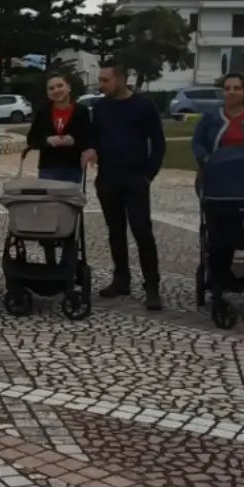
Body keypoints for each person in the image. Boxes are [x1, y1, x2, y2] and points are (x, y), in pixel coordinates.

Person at [81, 63, 165, 311]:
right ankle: (121, 279)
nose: (101, 85)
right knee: (115, 232)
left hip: (135, 179)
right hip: (108, 178)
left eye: (105, 80)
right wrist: (92, 149)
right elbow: (94, 137)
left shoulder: (144, 106)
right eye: (100, 80)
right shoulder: (101, 107)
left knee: (142, 231)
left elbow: (158, 142)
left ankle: (152, 285)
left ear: (121, 79)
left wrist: (148, 174)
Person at [191, 73, 244, 289]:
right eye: (227, 88)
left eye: (237, 88)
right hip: (217, 180)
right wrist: (205, 159)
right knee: (219, 225)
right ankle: (218, 271)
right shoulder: (211, 116)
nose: (231, 92)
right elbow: (197, 142)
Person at [26, 74, 92, 184]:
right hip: (48, 168)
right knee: (49, 201)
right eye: (51, 88)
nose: (56, 90)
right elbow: (32, 140)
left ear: (68, 87)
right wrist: (47, 141)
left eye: (60, 86)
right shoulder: (43, 112)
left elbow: (89, 138)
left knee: (70, 200)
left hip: (73, 167)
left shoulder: (81, 111)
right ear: (47, 93)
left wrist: (74, 141)